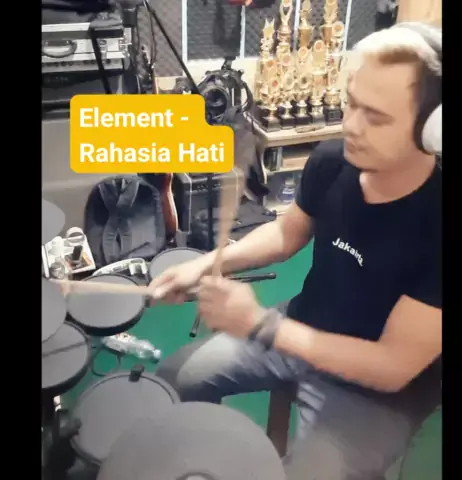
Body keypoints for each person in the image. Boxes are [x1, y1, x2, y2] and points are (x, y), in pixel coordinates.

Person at [149, 23, 442, 479]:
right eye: (351, 103)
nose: (350, 126)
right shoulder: (333, 160)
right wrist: (207, 264)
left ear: (432, 130)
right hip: (301, 325)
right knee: (175, 378)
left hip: (376, 392)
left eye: (376, 117)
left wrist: (260, 325)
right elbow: (288, 232)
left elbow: (392, 367)